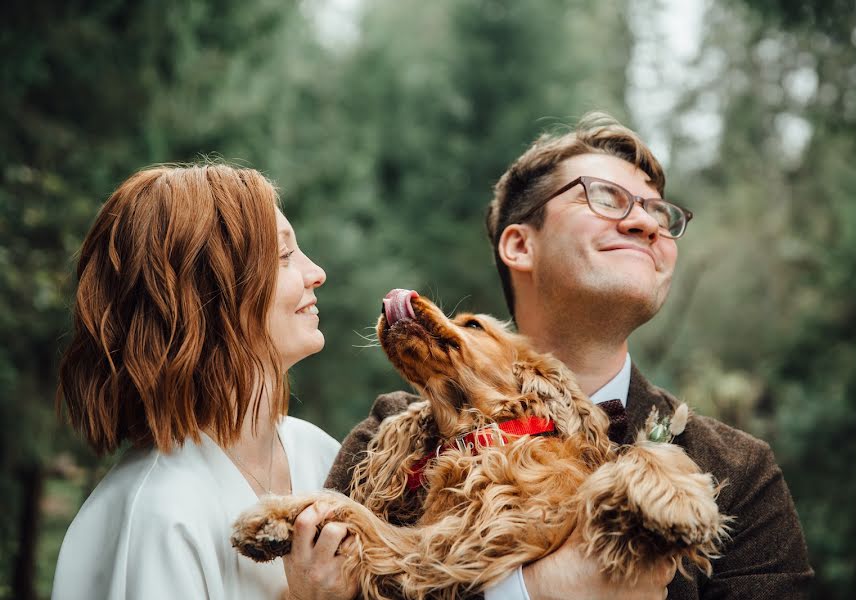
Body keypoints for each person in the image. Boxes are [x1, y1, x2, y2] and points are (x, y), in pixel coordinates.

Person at [325, 113, 814, 599]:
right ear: (519, 244)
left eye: (660, 212)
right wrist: (533, 590)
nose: (645, 222)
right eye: (606, 197)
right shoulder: (387, 436)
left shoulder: (741, 472)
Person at [53, 164, 358, 600]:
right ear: (210, 296)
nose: (317, 272)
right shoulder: (159, 515)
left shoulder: (323, 457)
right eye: (285, 256)